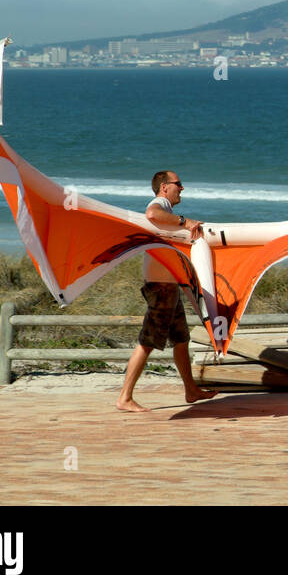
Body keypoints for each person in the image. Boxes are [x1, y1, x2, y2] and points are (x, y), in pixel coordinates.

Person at [116, 170, 218, 412]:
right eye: (178, 184)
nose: (182, 188)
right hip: (161, 287)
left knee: (181, 339)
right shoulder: (159, 204)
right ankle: (124, 398)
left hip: (169, 285)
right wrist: (187, 222)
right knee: (148, 340)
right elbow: (151, 213)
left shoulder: (168, 212)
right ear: (164, 187)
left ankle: (191, 390)